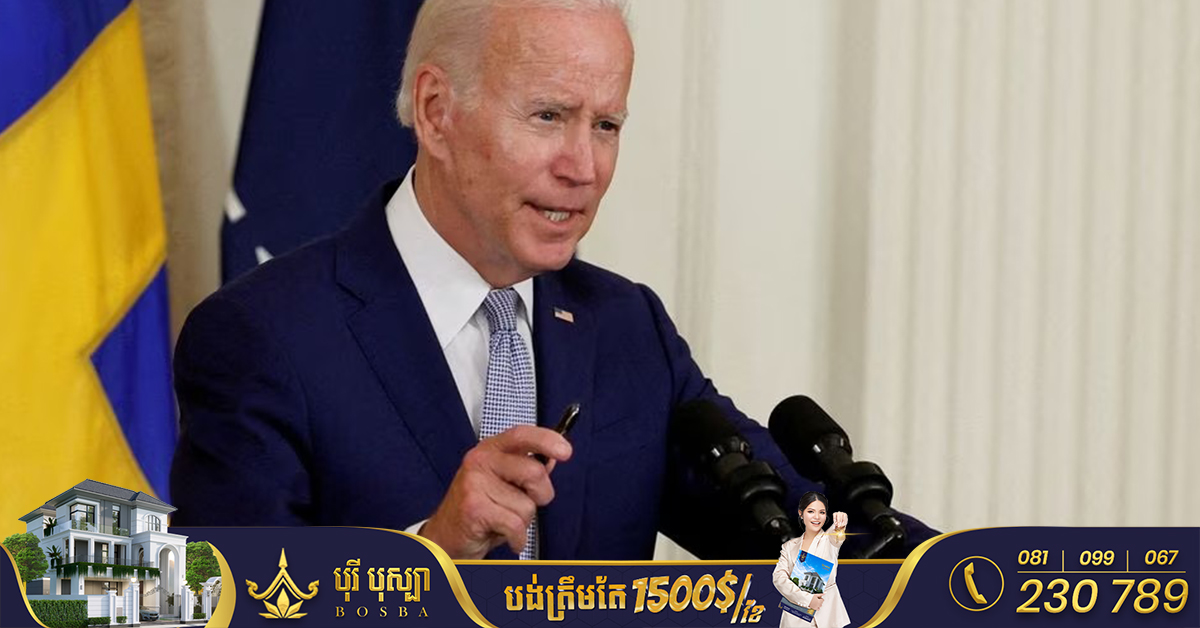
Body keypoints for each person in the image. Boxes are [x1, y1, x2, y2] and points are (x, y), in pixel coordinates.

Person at [169, 0, 935, 559]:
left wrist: (979, 578)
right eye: (547, 117)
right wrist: (430, 552)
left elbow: (795, 523)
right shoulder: (265, 336)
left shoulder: (626, 329)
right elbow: (232, 602)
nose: (584, 167)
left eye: (606, 126)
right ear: (436, 112)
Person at [773, 492, 850, 628]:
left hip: (827, 615)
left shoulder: (829, 540)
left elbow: (837, 535)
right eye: (811, 511)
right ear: (801, 513)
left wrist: (840, 523)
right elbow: (779, 578)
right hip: (796, 616)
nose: (816, 517)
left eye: (822, 512)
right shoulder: (789, 547)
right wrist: (808, 599)